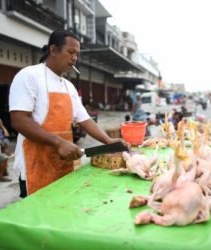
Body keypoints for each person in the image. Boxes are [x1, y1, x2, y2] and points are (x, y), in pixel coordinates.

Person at [9, 30, 127, 198]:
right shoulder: (29, 76)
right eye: (70, 52)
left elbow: (84, 119)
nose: (74, 58)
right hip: (35, 165)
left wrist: (108, 141)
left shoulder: (68, 86)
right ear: (53, 50)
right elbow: (19, 121)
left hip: (63, 163)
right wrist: (58, 142)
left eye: (77, 54)